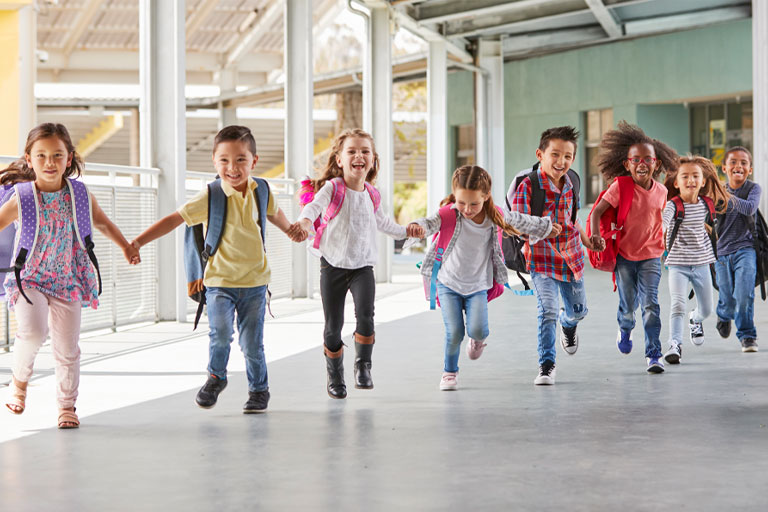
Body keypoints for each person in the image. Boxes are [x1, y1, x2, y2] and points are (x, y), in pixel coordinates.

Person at [132, 125, 302, 413]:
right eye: (224, 160)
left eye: (240, 160)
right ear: (214, 161)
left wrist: (290, 231)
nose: (232, 167)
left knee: (252, 344)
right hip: (219, 282)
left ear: (254, 161)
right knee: (220, 333)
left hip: (255, 283)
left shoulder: (261, 189)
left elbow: (274, 213)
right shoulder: (209, 196)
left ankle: (259, 390)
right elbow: (174, 220)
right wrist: (137, 242)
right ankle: (216, 377)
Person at [1, 123, 140, 428]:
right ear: (29, 159)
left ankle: (67, 406)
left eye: (56, 155)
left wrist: (126, 247)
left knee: (67, 348)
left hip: (68, 279)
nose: (49, 162)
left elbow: (101, 223)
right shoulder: (22, 197)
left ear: (69, 158)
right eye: (41, 156)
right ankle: (19, 382)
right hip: (29, 279)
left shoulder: (78, 194)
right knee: (33, 333)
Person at [295, 128, 419, 399]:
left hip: (363, 266)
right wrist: (305, 221)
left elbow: (384, 224)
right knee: (333, 326)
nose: (359, 156)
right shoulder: (333, 188)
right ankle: (335, 375)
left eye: (365, 151)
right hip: (333, 266)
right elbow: (314, 207)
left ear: (373, 160)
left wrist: (406, 231)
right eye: (351, 151)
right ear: (339, 159)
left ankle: (363, 365)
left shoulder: (373, 194)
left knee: (366, 317)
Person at [412, 165, 559, 391]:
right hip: (448, 282)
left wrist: (546, 227)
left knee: (479, 329)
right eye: (461, 202)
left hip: (478, 285)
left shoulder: (494, 215)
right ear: (454, 195)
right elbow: (429, 223)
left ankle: (477, 339)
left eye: (474, 203)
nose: (467, 209)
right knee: (454, 332)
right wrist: (417, 228)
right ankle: (449, 372)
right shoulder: (448, 214)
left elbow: (521, 221)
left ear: (486, 196)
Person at [509, 126, 599, 385]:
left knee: (578, 312)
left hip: (571, 256)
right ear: (540, 154)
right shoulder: (528, 186)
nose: (561, 162)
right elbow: (517, 223)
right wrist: (543, 231)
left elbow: (573, 220)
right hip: (541, 258)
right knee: (546, 310)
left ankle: (568, 324)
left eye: (568, 156)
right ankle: (546, 365)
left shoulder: (572, 182)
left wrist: (589, 243)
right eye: (555, 155)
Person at [588, 121, 678, 373]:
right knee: (628, 306)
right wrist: (596, 236)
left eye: (647, 159)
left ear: (656, 164)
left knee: (650, 304)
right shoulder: (621, 187)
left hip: (652, 256)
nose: (641, 163)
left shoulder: (661, 191)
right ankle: (625, 329)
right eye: (635, 159)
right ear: (627, 164)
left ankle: (653, 354)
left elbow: (664, 220)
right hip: (625, 256)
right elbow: (596, 212)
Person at [661, 156, 729, 364]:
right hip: (677, 264)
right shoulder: (673, 205)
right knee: (677, 304)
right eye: (685, 176)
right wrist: (660, 231)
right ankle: (674, 344)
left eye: (695, 176)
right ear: (676, 182)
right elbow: (664, 220)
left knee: (707, 309)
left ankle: (695, 319)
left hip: (702, 264)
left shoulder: (707, 204)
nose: (690, 180)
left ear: (703, 181)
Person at [714, 146, 761, 352]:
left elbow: (750, 208)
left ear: (749, 169)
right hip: (722, 251)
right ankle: (724, 314)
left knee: (744, 293)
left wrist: (727, 197)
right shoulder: (717, 191)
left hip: (746, 249)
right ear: (724, 167)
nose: (738, 166)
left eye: (743, 163)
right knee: (727, 296)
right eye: (733, 162)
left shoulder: (753, 189)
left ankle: (747, 335)